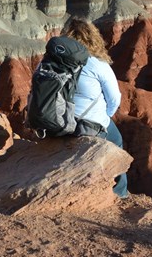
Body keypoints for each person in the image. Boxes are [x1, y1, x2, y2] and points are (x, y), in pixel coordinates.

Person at [62, 18, 128, 199]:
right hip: (88, 123)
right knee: (117, 141)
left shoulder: (51, 61)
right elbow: (115, 99)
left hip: (56, 121)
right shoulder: (97, 64)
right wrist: (104, 117)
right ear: (93, 38)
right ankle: (119, 192)